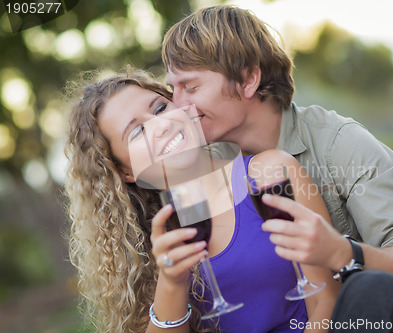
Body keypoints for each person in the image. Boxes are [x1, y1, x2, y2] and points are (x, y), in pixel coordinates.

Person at [162, 5, 393, 331]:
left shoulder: (339, 144)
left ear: (248, 79)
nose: (177, 105)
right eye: (173, 88)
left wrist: (343, 252)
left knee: (375, 286)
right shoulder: (200, 173)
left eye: (191, 87)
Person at [64, 69, 337, 333]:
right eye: (137, 132)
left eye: (160, 108)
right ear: (125, 171)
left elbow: (326, 298)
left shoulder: (269, 173)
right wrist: (171, 282)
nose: (160, 125)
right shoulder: (142, 244)